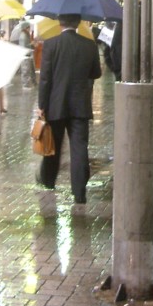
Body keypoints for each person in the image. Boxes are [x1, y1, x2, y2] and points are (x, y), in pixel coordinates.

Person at [37, 13, 102, 204]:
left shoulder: (51, 44)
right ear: (78, 23)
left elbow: (45, 79)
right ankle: (79, 192)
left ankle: (49, 181)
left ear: (59, 23)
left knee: (53, 145)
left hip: (55, 104)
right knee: (79, 147)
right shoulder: (89, 45)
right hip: (80, 104)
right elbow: (96, 73)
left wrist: (42, 105)